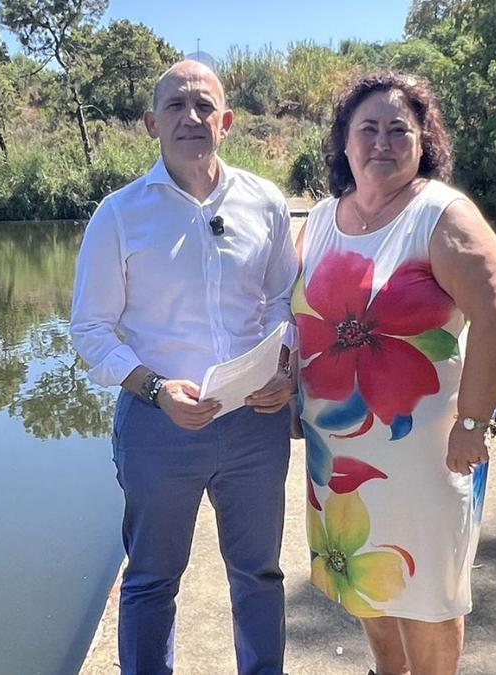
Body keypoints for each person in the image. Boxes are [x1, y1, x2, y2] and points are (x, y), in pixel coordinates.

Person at [70, 60, 297, 675]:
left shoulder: (266, 203)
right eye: (174, 106)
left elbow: (283, 301)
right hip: (158, 428)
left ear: (226, 121)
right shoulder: (119, 215)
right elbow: (88, 328)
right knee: (151, 580)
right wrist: (155, 388)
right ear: (151, 123)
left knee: (259, 574)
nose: (190, 118)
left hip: (255, 424)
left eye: (203, 107)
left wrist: (285, 366)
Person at [294, 72, 496, 675]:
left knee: (430, 593)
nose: (383, 142)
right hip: (338, 451)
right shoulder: (318, 219)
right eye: (367, 128)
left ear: (424, 142)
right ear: (344, 142)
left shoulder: (439, 214)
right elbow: (289, 317)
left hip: (429, 451)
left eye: (400, 129)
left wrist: (472, 422)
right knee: (367, 572)